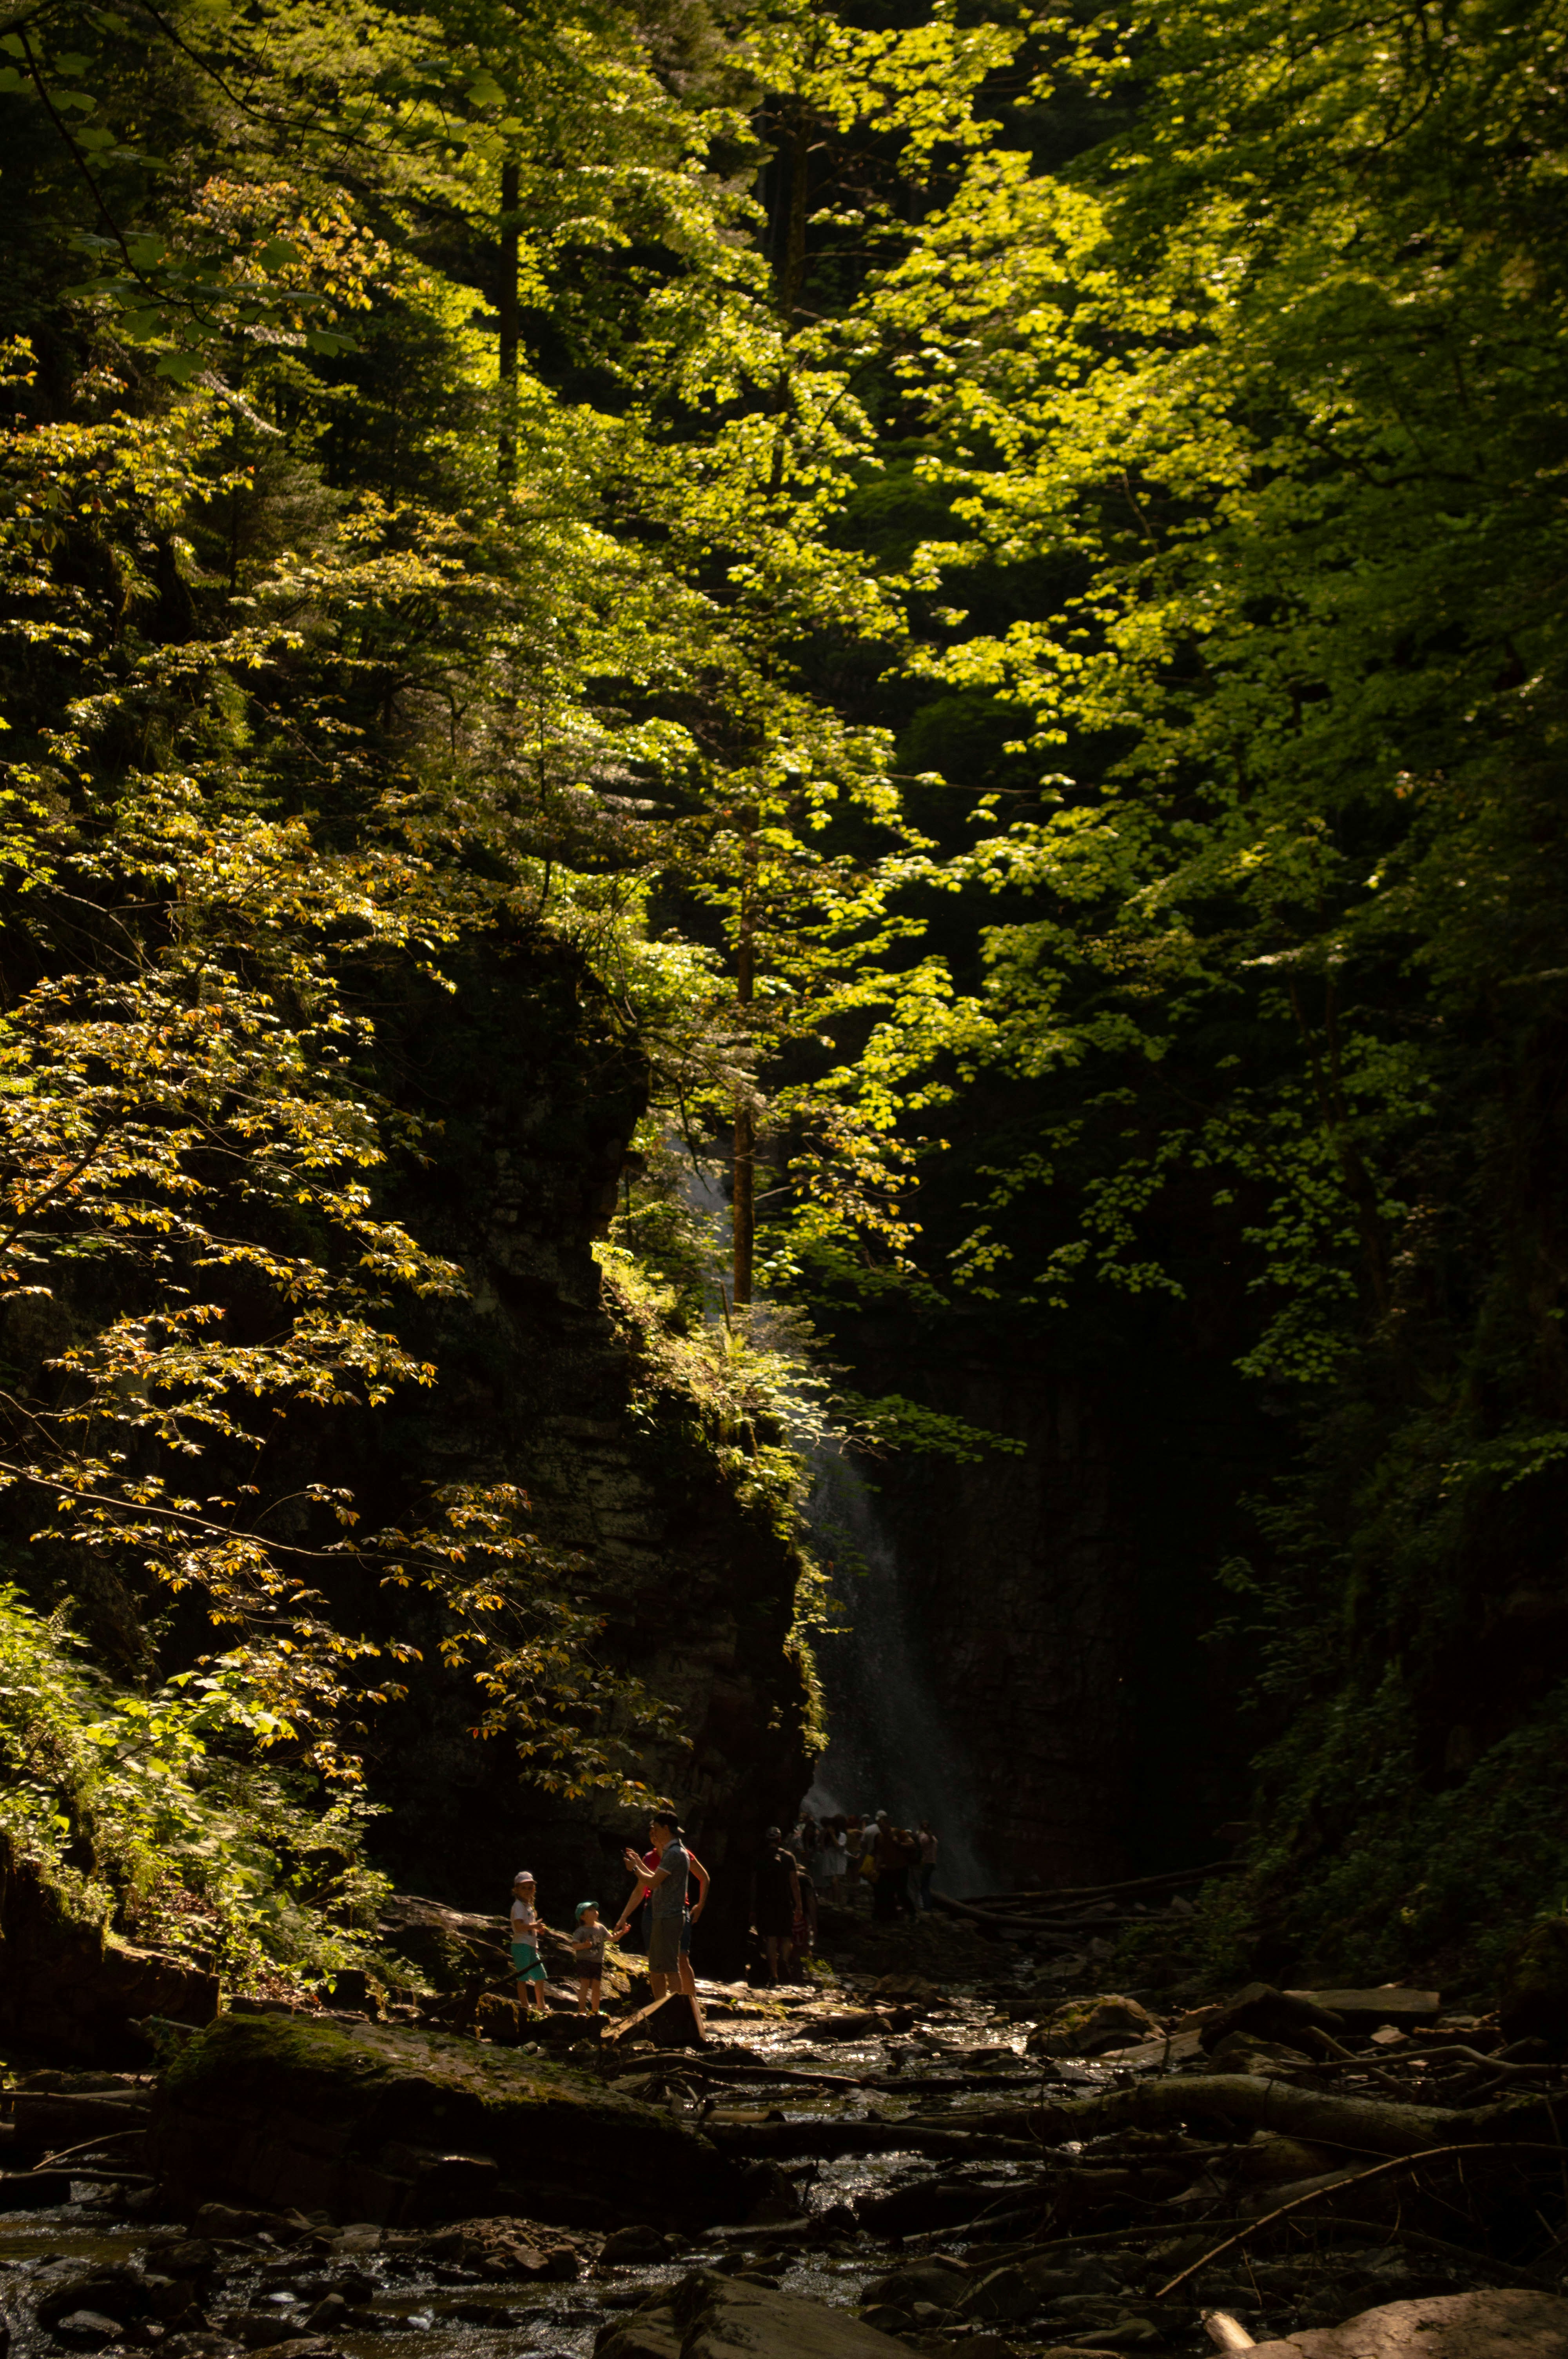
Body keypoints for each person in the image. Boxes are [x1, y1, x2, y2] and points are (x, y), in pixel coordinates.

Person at [615, 1824, 711, 1998]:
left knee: (681, 1959)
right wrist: (624, 1916)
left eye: (656, 1832)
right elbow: (641, 1890)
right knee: (655, 1962)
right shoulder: (649, 1858)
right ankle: (660, 2005)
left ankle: (690, 2003)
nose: (654, 1836)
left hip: (677, 1909)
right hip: (653, 1909)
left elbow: (704, 1877)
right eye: (651, 1833)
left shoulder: (681, 1854)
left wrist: (700, 1904)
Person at [751, 1825, 802, 1985]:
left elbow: (754, 1883)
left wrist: (753, 1907)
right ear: (780, 1840)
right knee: (786, 1936)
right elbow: (795, 1884)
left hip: (766, 1903)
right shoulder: (788, 1858)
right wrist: (799, 1905)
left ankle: (774, 1975)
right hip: (784, 1902)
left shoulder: (760, 1857)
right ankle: (784, 1961)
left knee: (771, 1938)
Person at [509, 1870, 553, 2013]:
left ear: (534, 1890)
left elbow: (528, 1927)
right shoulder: (518, 1906)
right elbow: (519, 1926)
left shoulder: (529, 1906)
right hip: (521, 1945)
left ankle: (541, 2005)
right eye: (523, 1888)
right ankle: (525, 2007)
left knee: (540, 1975)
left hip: (531, 1946)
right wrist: (535, 1926)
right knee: (522, 1977)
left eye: (530, 1888)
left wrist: (537, 1929)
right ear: (516, 1890)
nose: (527, 1891)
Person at [570, 1900, 606, 2014]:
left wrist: (622, 1933)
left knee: (597, 1986)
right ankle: (581, 2009)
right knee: (585, 1984)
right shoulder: (581, 1930)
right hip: (584, 1961)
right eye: (590, 1910)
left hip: (598, 1961)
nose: (595, 1911)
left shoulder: (601, 1928)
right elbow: (574, 1946)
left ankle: (595, 2010)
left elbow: (611, 1938)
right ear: (583, 1917)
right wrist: (584, 1946)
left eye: (595, 1909)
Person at [817, 1815, 849, 1907]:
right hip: (830, 1861)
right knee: (831, 1884)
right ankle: (833, 1902)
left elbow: (839, 1847)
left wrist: (833, 1835)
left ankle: (837, 1903)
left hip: (839, 1862)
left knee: (835, 1882)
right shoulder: (826, 1835)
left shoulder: (842, 1836)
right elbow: (822, 1848)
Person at [916, 1820, 938, 1911]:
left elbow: (919, 1847)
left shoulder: (923, 1837)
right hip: (932, 1864)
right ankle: (929, 1906)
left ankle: (927, 1907)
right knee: (926, 1886)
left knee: (923, 1887)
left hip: (926, 1864)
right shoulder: (934, 1838)